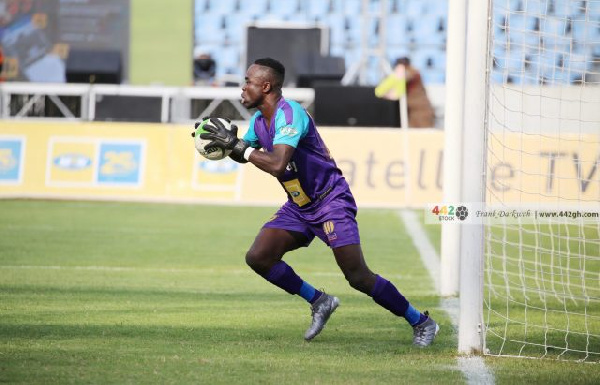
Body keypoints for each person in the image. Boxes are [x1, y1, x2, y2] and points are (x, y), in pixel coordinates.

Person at [195, 57, 439, 345]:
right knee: (259, 257)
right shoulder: (260, 121)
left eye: (248, 81)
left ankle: (422, 322)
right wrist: (218, 139)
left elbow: (276, 164)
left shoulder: (290, 114)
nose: (243, 87)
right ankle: (320, 300)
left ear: (266, 85)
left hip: (330, 201)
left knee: (358, 276)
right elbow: (246, 152)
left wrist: (237, 147)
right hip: (299, 206)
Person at [376, 57, 435, 128]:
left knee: (424, 134)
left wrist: (399, 73)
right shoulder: (403, 74)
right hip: (412, 111)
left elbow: (405, 77)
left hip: (422, 111)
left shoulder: (413, 71)